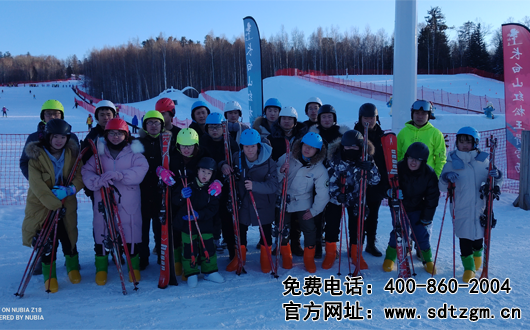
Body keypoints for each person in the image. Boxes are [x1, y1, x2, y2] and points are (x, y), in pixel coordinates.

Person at [81, 118, 148, 285]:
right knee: (102, 230)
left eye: (119, 133)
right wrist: (97, 181)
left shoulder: (134, 152)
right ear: (106, 134)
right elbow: (86, 171)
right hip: (104, 198)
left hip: (128, 200)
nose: (115, 136)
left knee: (130, 231)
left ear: (126, 135)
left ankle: (134, 268)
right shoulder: (99, 153)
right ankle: (101, 269)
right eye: (112, 133)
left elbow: (142, 169)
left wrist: (121, 175)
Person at [21, 119, 84, 293]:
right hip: (43, 205)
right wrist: (55, 204)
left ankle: (72, 268)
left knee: (68, 235)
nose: (59, 140)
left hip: (67, 203)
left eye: (63, 137)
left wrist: (70, 190)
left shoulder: (72, 154)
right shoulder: (36, 155)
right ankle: (50, 275)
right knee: (48, 241)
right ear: (48, 136)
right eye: (55, 136)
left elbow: (79, 176)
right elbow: (37, 185)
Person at [439, 127, 503, 283]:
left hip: (481, 207)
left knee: (478, 237)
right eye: (461, 142)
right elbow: (441, 186)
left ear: (475, 143)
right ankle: (469, 268)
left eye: (468, 142)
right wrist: (446, 177)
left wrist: (498, 175)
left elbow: (495, 182)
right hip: (460, 208)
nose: (465, 145)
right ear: (457, 143)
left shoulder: (484, 161)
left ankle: (478, 258)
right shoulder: (451, 162)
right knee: (464, 238)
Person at [323, 130, 380, 270]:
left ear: (360, 147)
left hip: (357, 198)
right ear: (342, 146)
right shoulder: (334, 159)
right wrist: (337, 194)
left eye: (354, 147)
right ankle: (330, 253)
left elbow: (375, 181)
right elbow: (329, 180)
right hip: (337, 198)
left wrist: (370, 168)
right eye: (347, 147)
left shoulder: (366, 159)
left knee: (357, 227)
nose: (350, 150)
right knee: (332, 225)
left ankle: (356, 254)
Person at [225, 129, 279, 273]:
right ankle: (239, 258)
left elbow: (273, 186)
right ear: (242, 146)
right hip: (243, 201)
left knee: (265, 230)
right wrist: (223, 166)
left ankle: (265, 258)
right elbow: (225, 164)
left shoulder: (268, 162)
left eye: (253, 146)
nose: (249, 150)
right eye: (246, 146)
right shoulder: (237, 158)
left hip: (263, 202)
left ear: (258, 146)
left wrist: (255, 186)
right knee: (241, 230)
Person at [382, 142, 440, 275]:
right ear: (406, 157)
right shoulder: (397, 169)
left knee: (420, 233)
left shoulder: (429, 174)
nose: (413, 162)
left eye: (418, 160)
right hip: (398, 206)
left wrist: (427, 217)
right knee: (399, 232)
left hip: (417, 208)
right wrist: (390, 192)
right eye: (411, 158)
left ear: (423, 161)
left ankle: (427, 259)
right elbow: (384, 184)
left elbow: (432, 198)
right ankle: (390, 257)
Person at [276, 132, 329, 273]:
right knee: (283, 228)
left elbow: (323, 193)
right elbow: (272, 176)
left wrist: (313, 211)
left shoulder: (319, 168)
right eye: (306, 145)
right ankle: (286, 256)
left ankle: (309, 258)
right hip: (284, 198)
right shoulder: (288, 157)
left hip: (303, 200)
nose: (307, 149)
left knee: (309, 228)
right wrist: (281, 171)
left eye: (312, 147)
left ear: (317, 150)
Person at [174, 157, 225, 287]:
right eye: (203, 171)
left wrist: (200, 215)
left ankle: (210, 271)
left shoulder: (212, 189)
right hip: (188, 225)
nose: (205, 175)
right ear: (197, 171)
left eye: (209, 173)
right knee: (189, 249)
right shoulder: (187, 184)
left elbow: (213, 208)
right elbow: (175, 201)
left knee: (208, 247)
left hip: (205, 225)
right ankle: (191, 272)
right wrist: (181, 195)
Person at [170, 128, 210, 280]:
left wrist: (216, 181)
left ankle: (195, 263)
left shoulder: (202, 156)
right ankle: (179, 262)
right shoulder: (173, 158)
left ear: (196, 145)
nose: (186, 149)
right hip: (178, 199)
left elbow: (211, 172)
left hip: (197, 199)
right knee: (178, 230)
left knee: (194, 232)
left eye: (190, 146)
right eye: (183, 146)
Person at [199, 112, 239, 256]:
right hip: (208, 186)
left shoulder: (230, 141)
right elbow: (203, 161)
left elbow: (236, 158)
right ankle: (211, 245)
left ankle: (233, 250)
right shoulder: (203, 142)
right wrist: (219, 165)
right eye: (211, 128)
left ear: (224, 128)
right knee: (211, 216)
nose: (214, 131)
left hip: (227, 185)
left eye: (217, 127)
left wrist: (228, 166)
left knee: (227, 218)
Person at [353, 103, 389, 257]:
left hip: (376, 183)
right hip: (357, 183)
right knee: (357, 215)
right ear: (360, 118)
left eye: (372, 118)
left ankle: (370, 243)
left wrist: (385, 184)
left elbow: (386, 161)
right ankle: (356, 244)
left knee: (373, 215)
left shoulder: (382, 136)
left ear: (377, 118)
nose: (368, 121)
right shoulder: (354, 135)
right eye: (365, 118)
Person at [20, 100, 79, 181]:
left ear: (61, 115)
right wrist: (37, 181)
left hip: (65, 187)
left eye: (56, 113)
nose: (52, 116)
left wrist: (71, 184)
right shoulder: (34, 138)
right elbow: (24, 162)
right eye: (48, 113)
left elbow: (78, 162)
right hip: (41, 188)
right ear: (43, 116)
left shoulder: (71, 137)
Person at [137, 110, 167, 270]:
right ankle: (143, 257)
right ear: (145, 125)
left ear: (162, 125)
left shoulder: (168, 141)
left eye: (157, 122)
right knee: (142, 227)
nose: (154, 125)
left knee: (159, 225)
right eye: (150, 122)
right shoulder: (138, 142)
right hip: (142, 191)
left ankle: (162, 254)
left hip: (161, 191)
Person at [397, 100, 446, 177]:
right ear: (412, 114)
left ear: (428, 115)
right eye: (417, 113)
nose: (420, 116)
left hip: (426, 178)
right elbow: (397, 155)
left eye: (423, 114)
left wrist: (436, 178)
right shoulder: (403, 132)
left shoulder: (436, 134)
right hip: (405, 177)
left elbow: (440, 159)